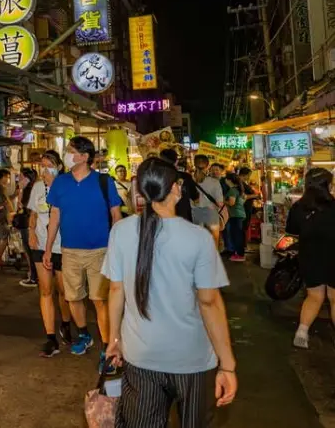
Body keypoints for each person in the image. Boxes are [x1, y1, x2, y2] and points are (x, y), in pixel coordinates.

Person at [104, 157, 238, 426]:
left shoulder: (121, 231)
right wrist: (227, 365)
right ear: (176, 189)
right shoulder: (198, 238)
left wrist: (113, 339)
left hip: (141, 357)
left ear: (141, 192)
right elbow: (209, 303)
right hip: (192, 359)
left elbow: (116, 290)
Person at [45, 136, 122, 371]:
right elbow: (54, 217)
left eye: (71, 151)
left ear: (84, 157)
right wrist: (48, 248)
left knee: (99, 300)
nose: (67, 155)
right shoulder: (61, 183)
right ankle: (84, 334)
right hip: (69, 250)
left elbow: (117, 215)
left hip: (100, 249)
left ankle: (108, 348)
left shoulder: (103, 182)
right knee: (73, 296)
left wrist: (119, 246)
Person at [29, 151, 72, 357]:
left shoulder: (67, 186)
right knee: (46, 290)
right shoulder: (37, 186)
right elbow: (33, 213)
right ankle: (50, 337)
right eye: (42, 165)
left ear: (59, 166)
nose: (45, 169)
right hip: (40, 244)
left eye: (49, 165)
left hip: (63, 245)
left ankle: (66, 323)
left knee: (64, 290)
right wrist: (30, 232)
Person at [286, 168, 335, 348]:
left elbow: (292, 230)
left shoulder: (298, 207)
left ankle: (302, 331)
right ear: (328, 185)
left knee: (314, 296)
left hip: (310, 256)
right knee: (334, 297)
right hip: (333, 257)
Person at [193, 154, 226, 246]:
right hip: (211, 214)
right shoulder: (215, 182)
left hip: (194, 213)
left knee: (197, 243)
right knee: (213, 243)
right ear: (208, 166)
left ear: (194, 165)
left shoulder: (189, 180)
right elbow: (220, 203)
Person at [159, 148, 199, 221]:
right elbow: (196, 199)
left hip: (163, 220)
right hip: (184, 219)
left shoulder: (156, 177)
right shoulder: (186, 177)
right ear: (176, 161)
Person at [16, 168, 38, 288]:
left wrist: (20, 192)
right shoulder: (31, 189)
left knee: (30, 252)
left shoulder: (28, 190)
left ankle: (34, 277)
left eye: (21, 177)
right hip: (29, 225)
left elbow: (22, 207)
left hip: (28, 225)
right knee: (30, 251)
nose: (19, 179)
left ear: (27, 179)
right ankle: (33, 275)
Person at [0, 168, 14, 273]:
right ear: (1, 177)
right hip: (0, 216)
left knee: (3, 238)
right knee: (3, 238)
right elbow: (4, 201)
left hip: (3, 216)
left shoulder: (1, 187)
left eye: (8, 177)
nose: (8, 179)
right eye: (7, 177)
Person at [224, 173, 247, 262]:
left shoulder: (232, 190)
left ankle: (240, 255)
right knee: (238, 234)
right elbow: (243, 200)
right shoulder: (239, 189)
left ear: (229, 180)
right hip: (240, 214)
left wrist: (222, 201)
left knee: (237, 235)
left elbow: (231, 203)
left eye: (226, 179)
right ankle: (239, 253)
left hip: (235, 215)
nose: (225, 180)